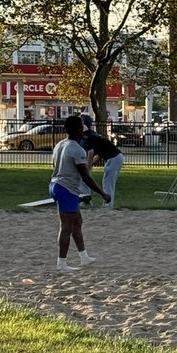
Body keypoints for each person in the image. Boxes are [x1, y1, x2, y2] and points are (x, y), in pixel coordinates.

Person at [49, 115, 111, 271]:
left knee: (77, 221)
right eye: (81, 129)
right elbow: (86, 177)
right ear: (77, 130)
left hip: (56, 184)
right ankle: (61, 263)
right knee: (66, 226)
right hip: (66, 188)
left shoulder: (60, 144)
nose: (83, 132)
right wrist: (102, 193)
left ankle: (84, 257)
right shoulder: (77, 150)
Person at [81, 115, 124, 211]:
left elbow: (90, 155)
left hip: (114, 158)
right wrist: (89, 166)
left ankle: (108, 205)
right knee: (107, 181)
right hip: (114, 157)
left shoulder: (88, 139)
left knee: (108, 182)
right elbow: (98, 155)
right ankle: (107, 204)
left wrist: (86, 170)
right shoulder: (94, 136)